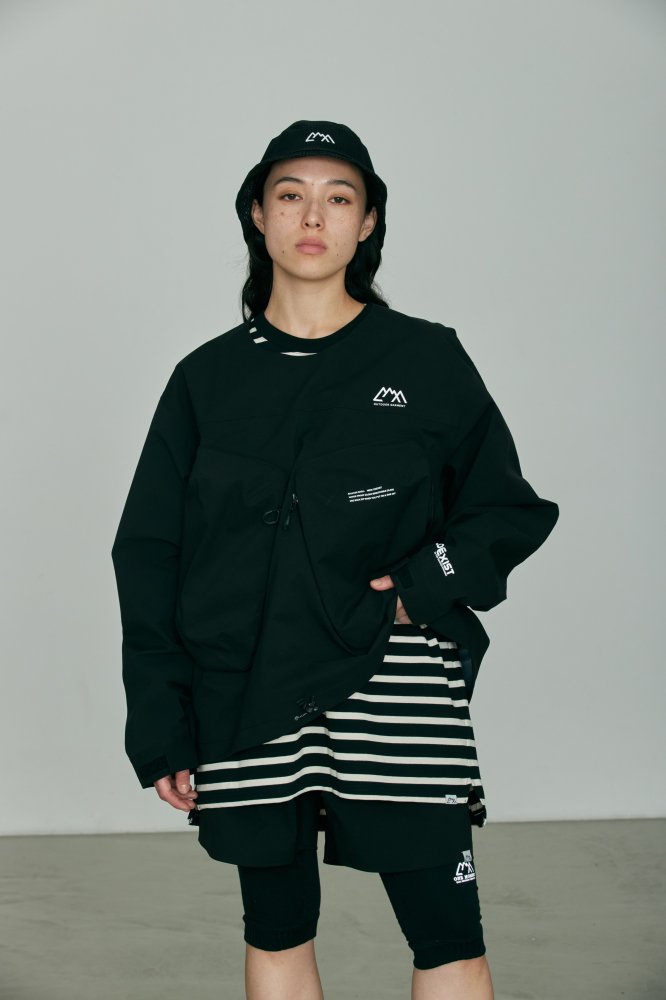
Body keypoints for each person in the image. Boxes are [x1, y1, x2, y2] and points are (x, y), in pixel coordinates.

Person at [111, 119, 559, 999]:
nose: (313, 216)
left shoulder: (425, 358)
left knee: (447, 939)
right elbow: (151, 553)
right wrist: (161, 721)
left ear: (368, 222)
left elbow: (505, 509)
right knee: (277, 932)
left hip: (393, 684)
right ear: (258, 215)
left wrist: (418, 589)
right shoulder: (205, 379)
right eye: (291, 195)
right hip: (245, 693)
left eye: (338, 198)